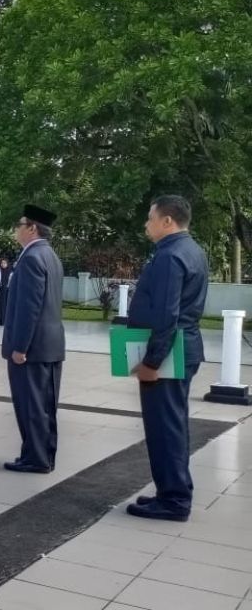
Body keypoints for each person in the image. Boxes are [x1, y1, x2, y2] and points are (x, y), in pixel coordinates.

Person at [125, 195, 209, 522]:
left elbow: (165, 315)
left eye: (150, 218)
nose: (146, 224)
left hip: (169, 355)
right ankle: (169, 491)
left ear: (167, 221)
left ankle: (174, 500)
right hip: (184, 349)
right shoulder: (192, 251)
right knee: (171, 425)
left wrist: (151, 363)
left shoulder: (170, 256)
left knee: (165, 428)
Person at [1, 204, 65, 474]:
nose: (16, 229)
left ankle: (35, 459)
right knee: (44, 406)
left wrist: (20, 347)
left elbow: (30, 307)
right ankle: (41, 455)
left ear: (32, 228)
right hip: (50, 345)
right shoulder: (50, 255)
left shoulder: (31, 258)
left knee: (31, 406)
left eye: (20, 224)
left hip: (32, 348)